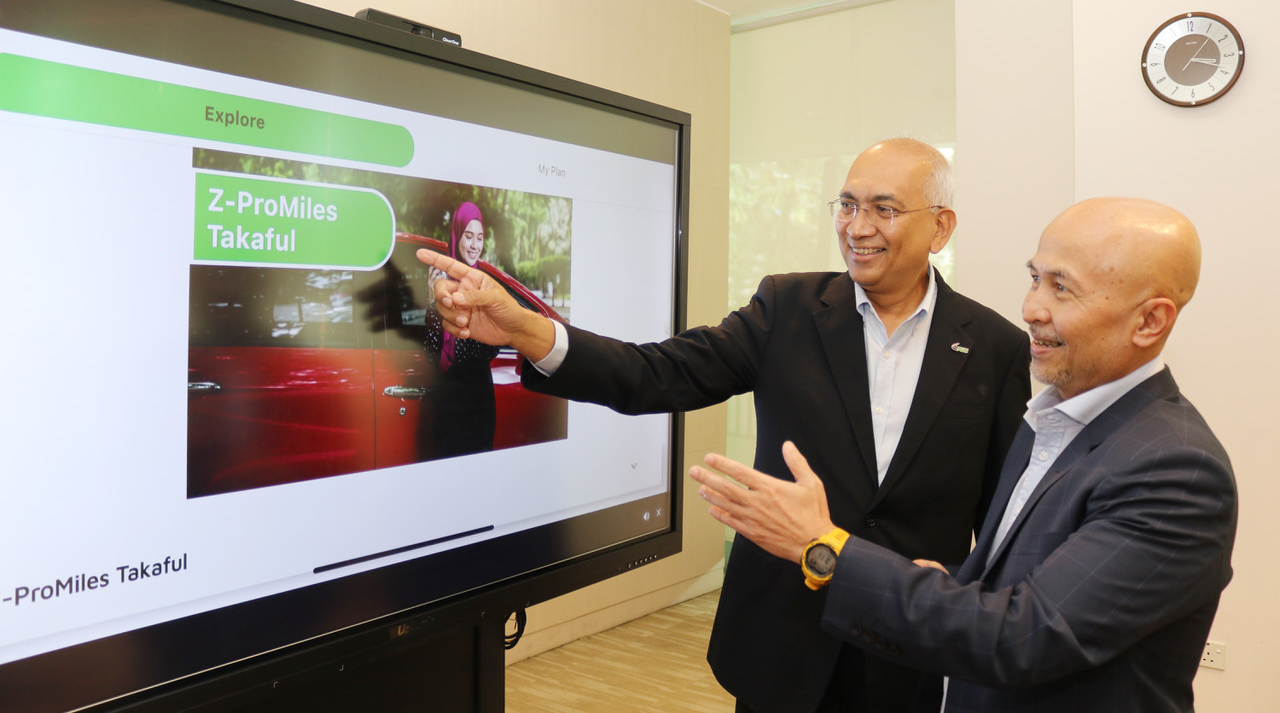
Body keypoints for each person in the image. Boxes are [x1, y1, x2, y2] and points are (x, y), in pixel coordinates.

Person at [418, 139, 1030, 712]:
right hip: (784, 640)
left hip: (911, 651)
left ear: (941, 226)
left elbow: (1007, 521)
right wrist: (526, 329)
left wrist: (967, 603)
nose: (858, 227)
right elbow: (654, 373)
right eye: (847, 205)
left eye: (884, 209)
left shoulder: (996, 349)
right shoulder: (787, 310)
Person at [689, 197, 1237, 713]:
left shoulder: (1176, 471)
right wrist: (951, 580)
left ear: (1150, 321)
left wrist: (822, 546)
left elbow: (1026, 636)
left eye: (1062, 289)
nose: (1031, 308)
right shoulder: (1051, 423)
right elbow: (1022, 580)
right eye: (1035, 279)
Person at [421, 201, 501, 458]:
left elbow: (489, 350)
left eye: (480, 237)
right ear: (457, 236)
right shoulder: (440, 283)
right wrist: (434, 303)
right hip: (446, 399)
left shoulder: (487, 286)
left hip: (478, 400)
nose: (475, 245)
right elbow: (432, 354)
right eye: (468, 236)